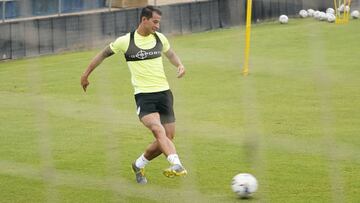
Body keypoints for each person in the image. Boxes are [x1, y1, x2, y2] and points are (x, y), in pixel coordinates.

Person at [80, 6, 187, 184]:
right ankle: (176, 163)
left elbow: (171, 54)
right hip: (144, 97)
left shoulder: (160, 38)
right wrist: (85, 74)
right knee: (157, 130)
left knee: (167, 139)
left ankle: (138, 164)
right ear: (144, 20)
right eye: (155, 22)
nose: (157, 26)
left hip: (164, 94)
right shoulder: (126, 41)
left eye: (159, 22)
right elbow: (102, 55)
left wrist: (179, 65)